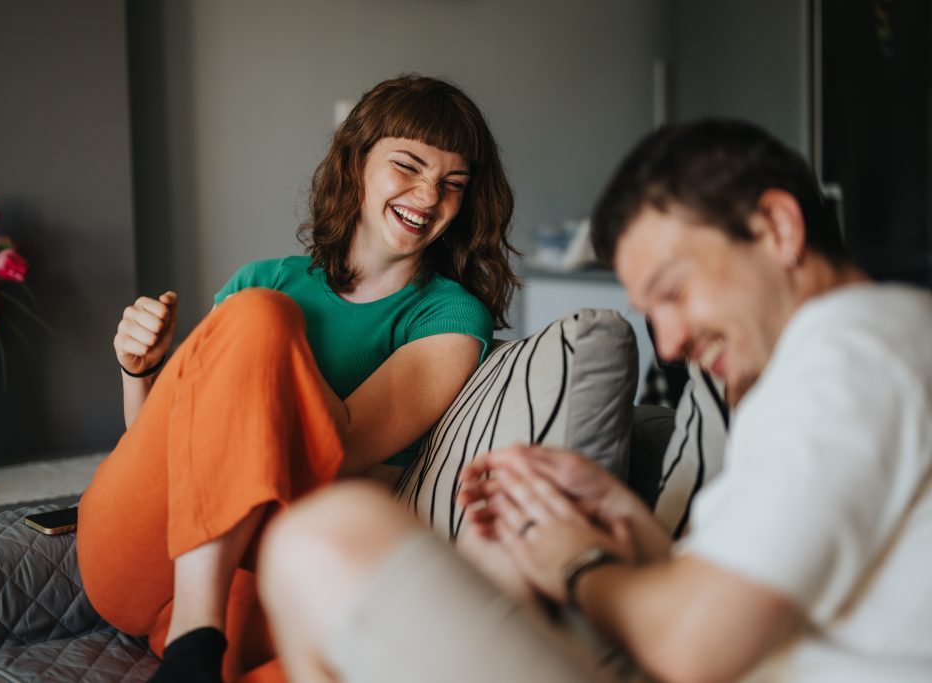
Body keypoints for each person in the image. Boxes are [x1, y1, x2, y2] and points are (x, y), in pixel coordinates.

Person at [256, 119, 932, 683]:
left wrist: (577, 562)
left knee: (321, 539)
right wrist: (621, 519)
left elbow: (692, 646)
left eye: (674, 291)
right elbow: (736, 596)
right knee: (468, 549)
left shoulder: (853, 352)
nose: (669, 341)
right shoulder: (845, 360)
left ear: (777, 227)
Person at [76, 74, 520, 683]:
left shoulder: (450, 317)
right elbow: (164, 453)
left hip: (263, 590)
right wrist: (142, 371)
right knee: (260, 313)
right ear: (358, 162)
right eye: (408, 165)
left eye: (453, 183)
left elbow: (338, 449)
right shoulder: (263, 281)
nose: (428, 195)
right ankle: (194, 642)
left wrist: (263, 360)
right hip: (137, 552)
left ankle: (191, 650)